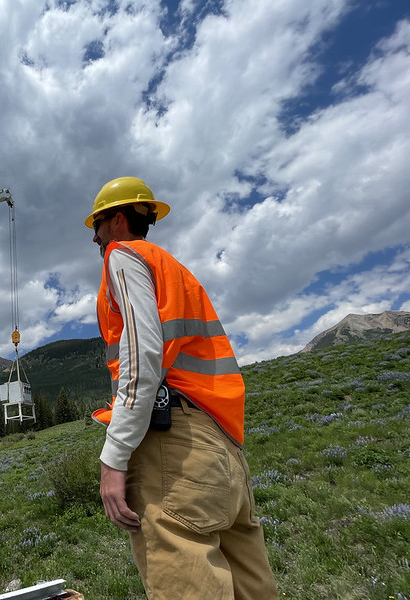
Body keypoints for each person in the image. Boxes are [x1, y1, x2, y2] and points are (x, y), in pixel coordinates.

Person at [87, 177, 277, 599]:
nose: (94, 238)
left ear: (117, 220)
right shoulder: (176, 272)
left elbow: (142, 355)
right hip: (224, 449)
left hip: (173, 448)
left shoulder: (122, 255)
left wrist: (114, 459)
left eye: (96, 227)